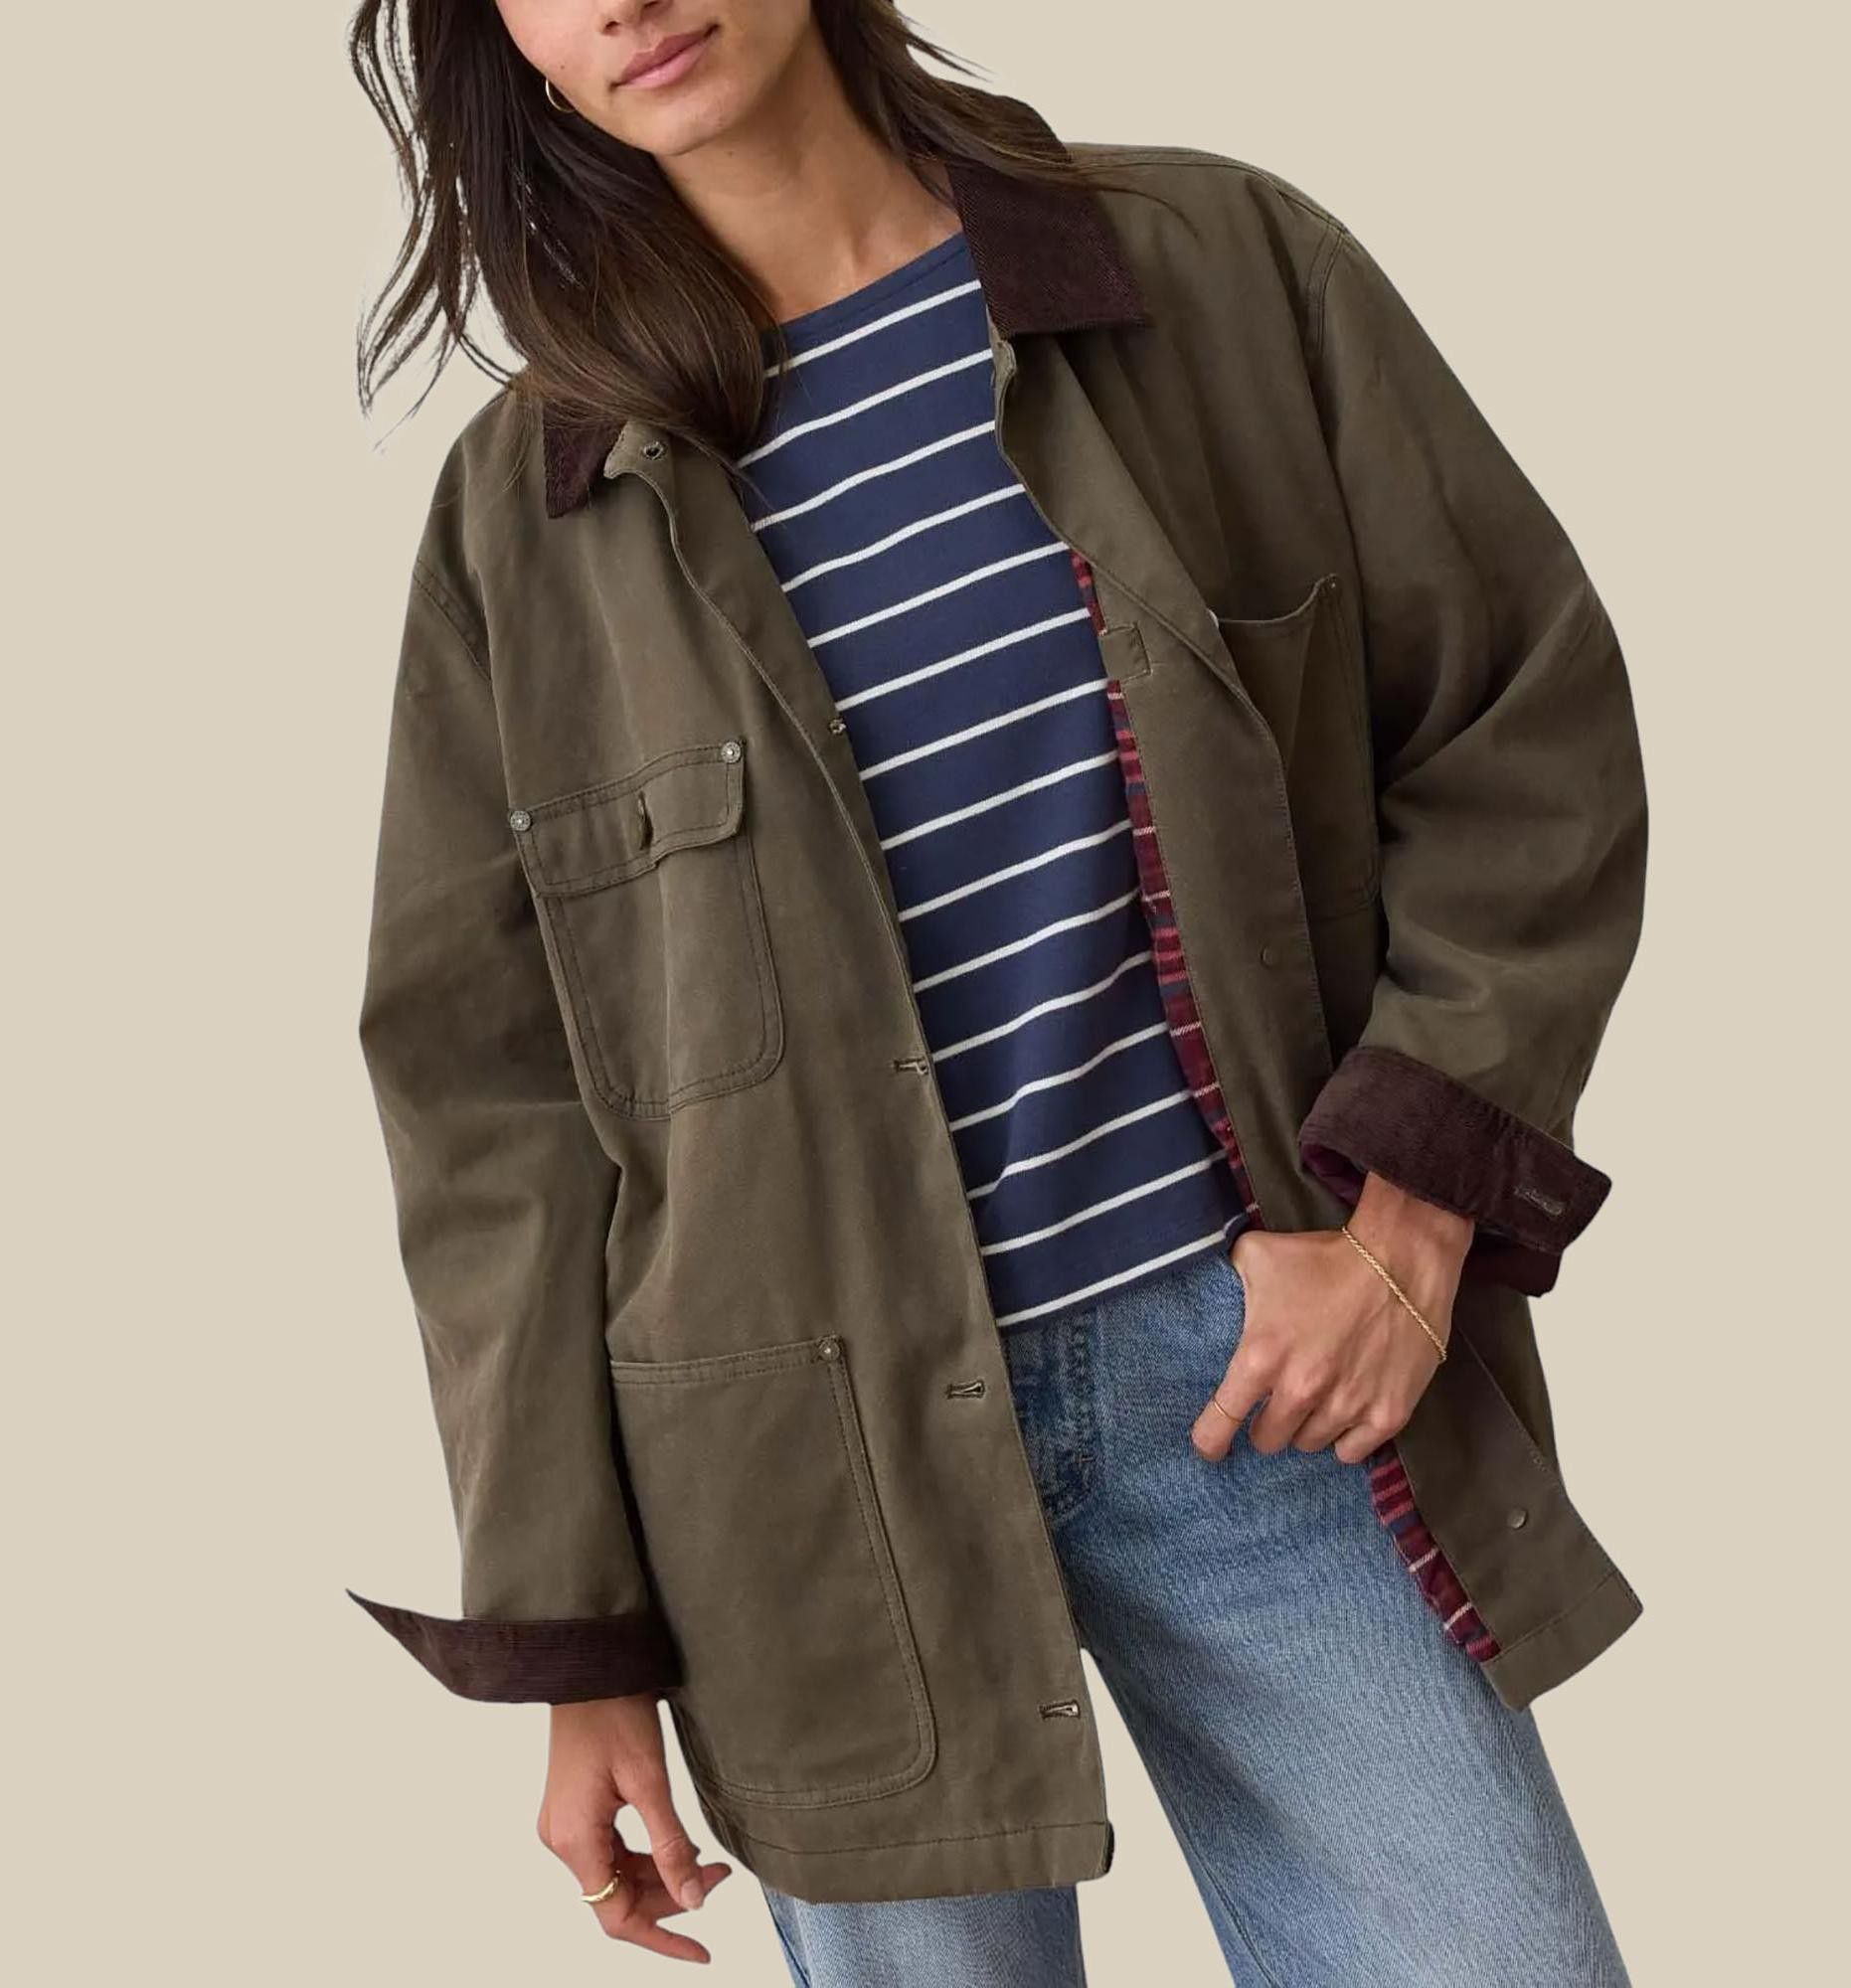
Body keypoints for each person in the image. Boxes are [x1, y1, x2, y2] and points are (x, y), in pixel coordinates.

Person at [343, 3, 1647, 1982]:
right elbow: (494, 1127)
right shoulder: (531, 518)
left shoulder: (1213, 274)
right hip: (806, 1485)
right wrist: (575, 1641)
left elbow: (1513, 733)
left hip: (1261, 1379)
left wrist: (1409, 1221)